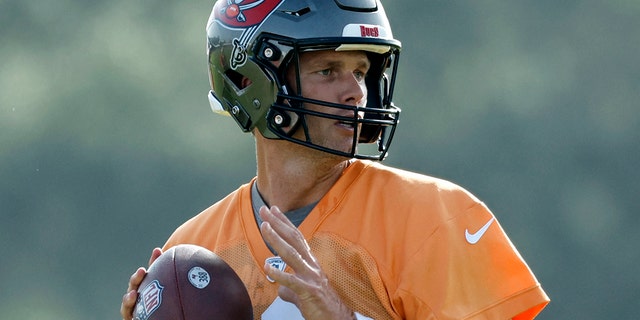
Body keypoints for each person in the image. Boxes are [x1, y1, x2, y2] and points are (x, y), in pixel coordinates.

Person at [121, 0, 550, 319]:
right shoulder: (196, 247)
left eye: (360, 72)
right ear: (252, 82)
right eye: (327, 70)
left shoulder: (435, 217)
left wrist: (338, 314)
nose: (355, 92)